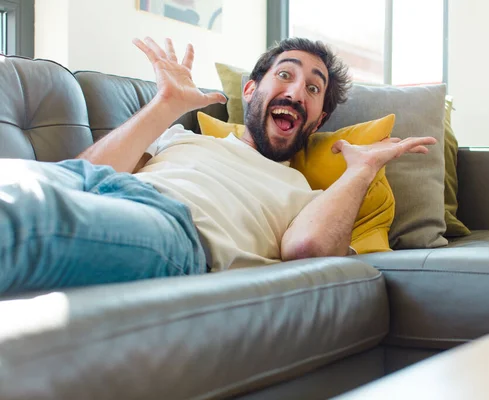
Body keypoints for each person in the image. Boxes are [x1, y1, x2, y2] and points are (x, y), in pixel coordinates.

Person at [0, 37, 436, 294]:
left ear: (318, 119)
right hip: (98, 187)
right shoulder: (181, 137)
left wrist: (361, 169)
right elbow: (84, 172)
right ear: (251, 91)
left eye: (314, 88)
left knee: (25, 219)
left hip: (174, 229)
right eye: (285, 75)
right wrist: (164, 104)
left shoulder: (309, 196)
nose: (298, 90)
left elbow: (309, 250)